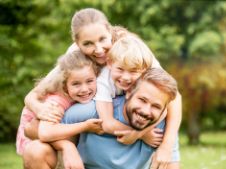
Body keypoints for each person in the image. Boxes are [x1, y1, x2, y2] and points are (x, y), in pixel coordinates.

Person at [23, 8, 182, 168]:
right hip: (63, 116)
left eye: (102, 40)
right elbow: (32, 119)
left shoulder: (131, 51)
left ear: (110, 33)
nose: (98, 49)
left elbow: (172, 97)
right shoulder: (75, 61)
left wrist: (164, 145)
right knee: (36, 149)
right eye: (88, 44)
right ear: (77, 44)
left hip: (107, 114)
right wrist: (40, 109)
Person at [61, 68, 179, 169]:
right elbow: (51, 131)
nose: (145, 111)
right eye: (142, 100)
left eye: (156, 106)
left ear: (164, 109)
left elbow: (171, 163)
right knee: (42, 150)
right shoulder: (92, 111)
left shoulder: (162, 128)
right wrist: (67, 147)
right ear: (129, 93)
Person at [18, 50, 103, 169]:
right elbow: (45, 133)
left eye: (89, 81)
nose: (84, 89)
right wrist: (86, 126)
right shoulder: (57, 101)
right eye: (76, 84)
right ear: (65, 86)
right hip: (38, 139)